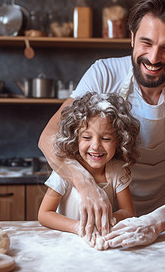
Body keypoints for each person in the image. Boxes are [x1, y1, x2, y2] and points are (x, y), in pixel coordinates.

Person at [38, 0, 165, 248]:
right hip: (109, 223)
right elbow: (49, 137)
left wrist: (155, 222)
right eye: (146, 43)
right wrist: (85, 184)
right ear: (131, 37)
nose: (153, 58)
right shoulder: (104, 73)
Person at [38, 92, 141, 249]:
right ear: (75, 137)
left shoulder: (118, 170)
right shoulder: (65, 171)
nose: (95, 146)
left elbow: (128, 211)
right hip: (66, 245)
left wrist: (108, 221)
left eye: (105, 139)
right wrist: (79, 227)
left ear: (119, 140)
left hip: (100, 245)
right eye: (87, 137)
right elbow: (44, 214)